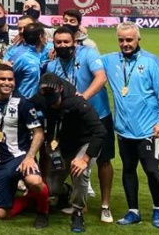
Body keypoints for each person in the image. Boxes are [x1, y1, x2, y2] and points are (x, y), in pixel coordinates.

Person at [101, 22, 159, 228]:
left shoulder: (153, 62)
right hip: (124, 130)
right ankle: (133, 211)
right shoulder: (110, 61)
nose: (125, 43)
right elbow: (88, 60)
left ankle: (158, 209)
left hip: (148, 130)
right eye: (121, 40)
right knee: (128, 169)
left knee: (151, 170)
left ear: (138, 39)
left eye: (129, 40)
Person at [47, 25, 115, 222]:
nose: (62, 46)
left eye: (66, 42)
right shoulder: (52, 65)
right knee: (71, 160)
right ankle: (75, 199)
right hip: (71, 122)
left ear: (74, 43)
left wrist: (83, 98)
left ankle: (105, 205)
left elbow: (101, 77)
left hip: (98, 116)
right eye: (58, 42)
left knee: (104, 161)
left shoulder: (88, 54)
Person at [30, 74, 107, 234]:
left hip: (83, 143)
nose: (52, 104)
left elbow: (100, 131)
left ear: (61, 90)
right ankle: (66, 191)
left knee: (80, 170)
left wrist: (85, 159)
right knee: (51, 187)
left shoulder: (77, 102)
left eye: (54, 98)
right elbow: (24, 106)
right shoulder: (40, 99)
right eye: (47, 97)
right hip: (61, 145)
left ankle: (78, 212)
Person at [0, 63, 50, 229]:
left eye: (10, 79)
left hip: (20, 157)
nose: (7, 83)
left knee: (34, 181)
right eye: (2, 79)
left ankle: (43, 212)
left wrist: (29, 157)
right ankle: (29, 200)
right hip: (0, 162)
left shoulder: (23, 104)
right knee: (1, 215)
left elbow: (39, 133)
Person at [10, 22, 47, 98]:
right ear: (41, 37)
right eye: (45, 36)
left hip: (39, 104)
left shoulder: (45, 54)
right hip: (24, 102)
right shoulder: (22, 57)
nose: (46, 38)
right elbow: (10, 74)